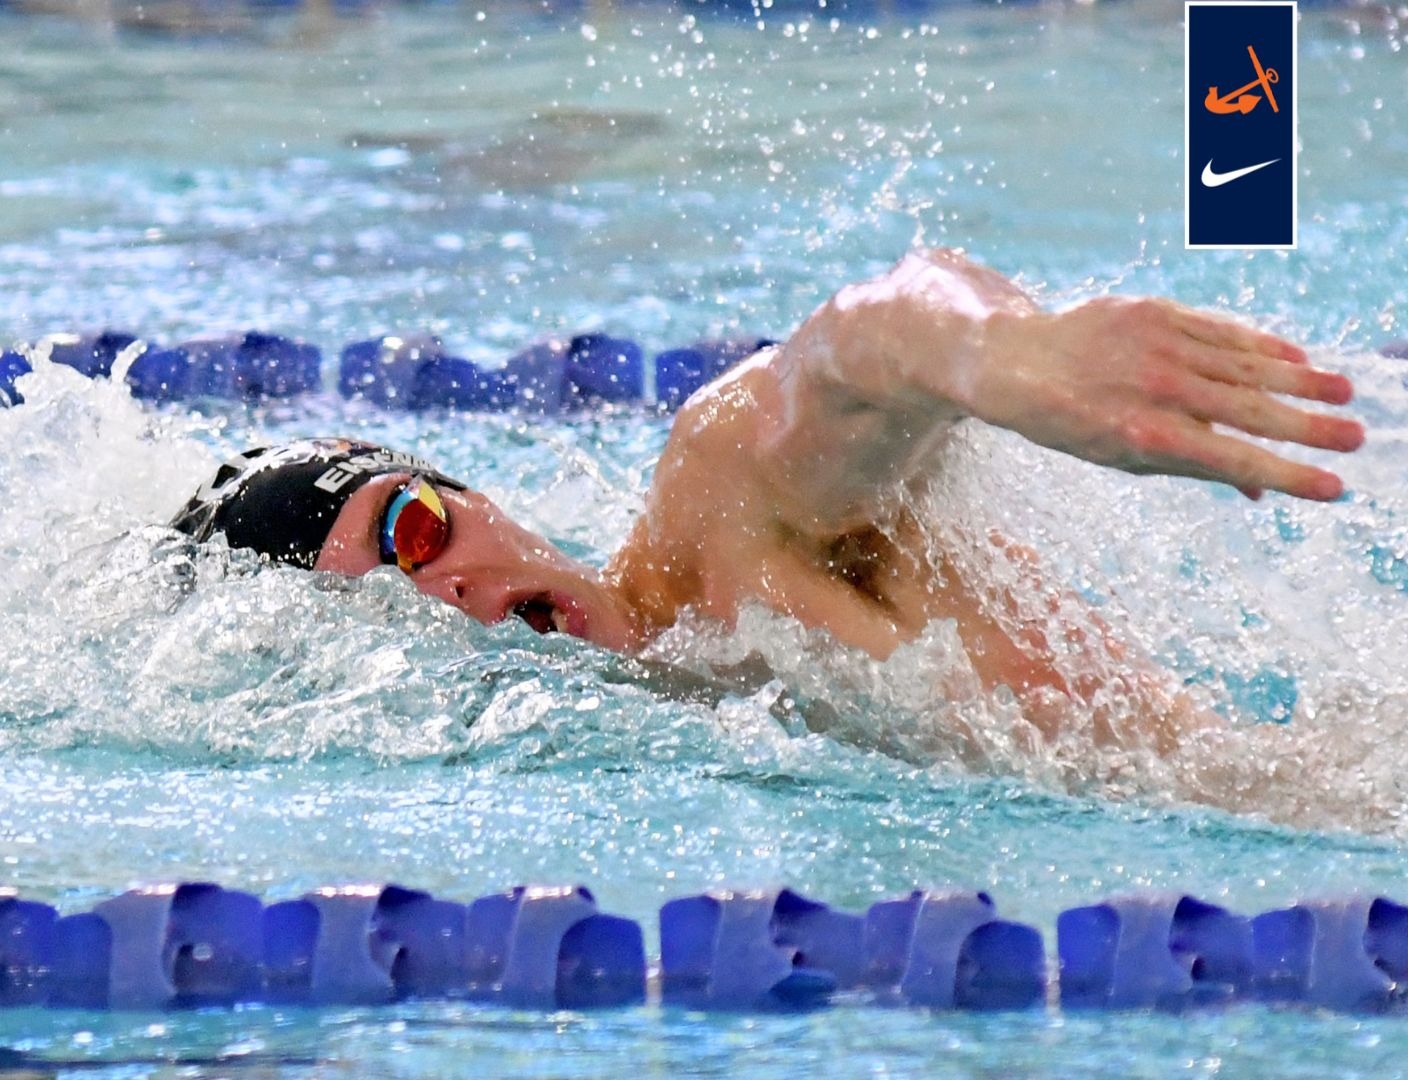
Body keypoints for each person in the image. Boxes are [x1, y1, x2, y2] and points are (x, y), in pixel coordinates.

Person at [171, 249, 1365, 748]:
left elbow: (866, 338)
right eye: (390, 600)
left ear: (469, 492)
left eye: (414, 529)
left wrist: (1005, 359)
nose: (457, 592)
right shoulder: (667, 730)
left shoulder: (717, 519)